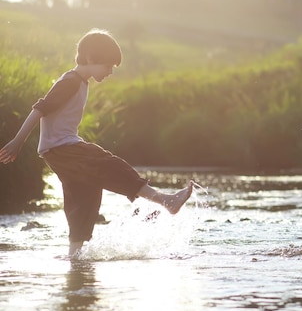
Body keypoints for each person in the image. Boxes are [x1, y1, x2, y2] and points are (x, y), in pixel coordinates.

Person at [0, 29, 193, 257]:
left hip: (59, 150)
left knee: (85, 197)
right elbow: (39, 109)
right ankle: (165, 200)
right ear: (91, 58)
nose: (110, 72)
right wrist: (17, 141)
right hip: (62, 148)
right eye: (108, 66)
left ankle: (75, 257)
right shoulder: (70, 81)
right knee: (108, 164)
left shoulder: (81, 82)